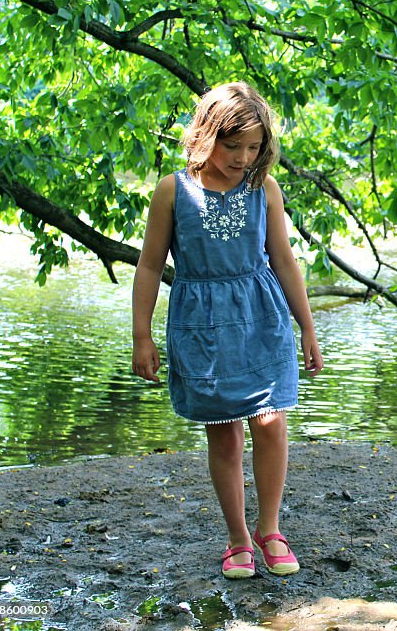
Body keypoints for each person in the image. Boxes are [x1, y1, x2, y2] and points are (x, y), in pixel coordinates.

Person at [131, 81, 324, 579]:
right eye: (231, 145)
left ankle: (271, 527)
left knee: (271, 421)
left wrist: (307, 327)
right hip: (204, 327)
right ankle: (238, 537)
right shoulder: (174, 190)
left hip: (262, 319)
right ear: (204, 135)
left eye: (254, 147)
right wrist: (141, 335)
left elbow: (283, 260)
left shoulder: (264, 189)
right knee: (224, 435)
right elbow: (150, 267)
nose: (242, 158)